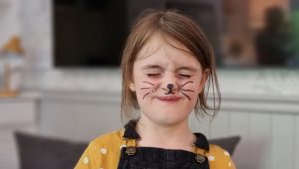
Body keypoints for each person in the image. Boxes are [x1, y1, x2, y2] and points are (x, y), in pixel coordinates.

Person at [75, 9, 236, 169]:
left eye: (185, 74)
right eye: (153, 73)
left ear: (201, 80)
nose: (169, 85)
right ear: (130, 77)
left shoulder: (220, 161)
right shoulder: (101, 153)